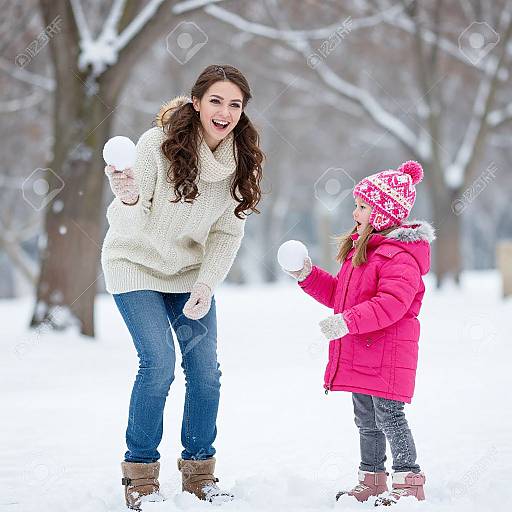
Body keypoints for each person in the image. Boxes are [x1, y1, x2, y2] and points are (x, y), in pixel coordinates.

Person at [101, 64, 264, 510]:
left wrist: (207, 284)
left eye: (235, 104)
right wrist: (129, 197)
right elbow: (124, 221)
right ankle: (140, 477)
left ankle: (199, 474)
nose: (225, 111)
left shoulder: (241, 160)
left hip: (189, 275)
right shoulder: (157, 145)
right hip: (134, 263)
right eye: (216, 100)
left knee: (206, 371)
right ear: (196, 102)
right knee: (158, 363)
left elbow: (228, 233)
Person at [283, 161, 435, 506]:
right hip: (364, 352)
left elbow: (391, 304)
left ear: (382, 212)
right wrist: (307, 275)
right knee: (365, 418)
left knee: (390, 417)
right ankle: (372, 478)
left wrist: (348, 321)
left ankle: (408, 480)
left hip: (388, 353)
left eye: (363, 206)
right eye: (357, 205)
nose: (355, 212)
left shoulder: (400, 256)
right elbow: (342, 296)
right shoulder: (364, 251)